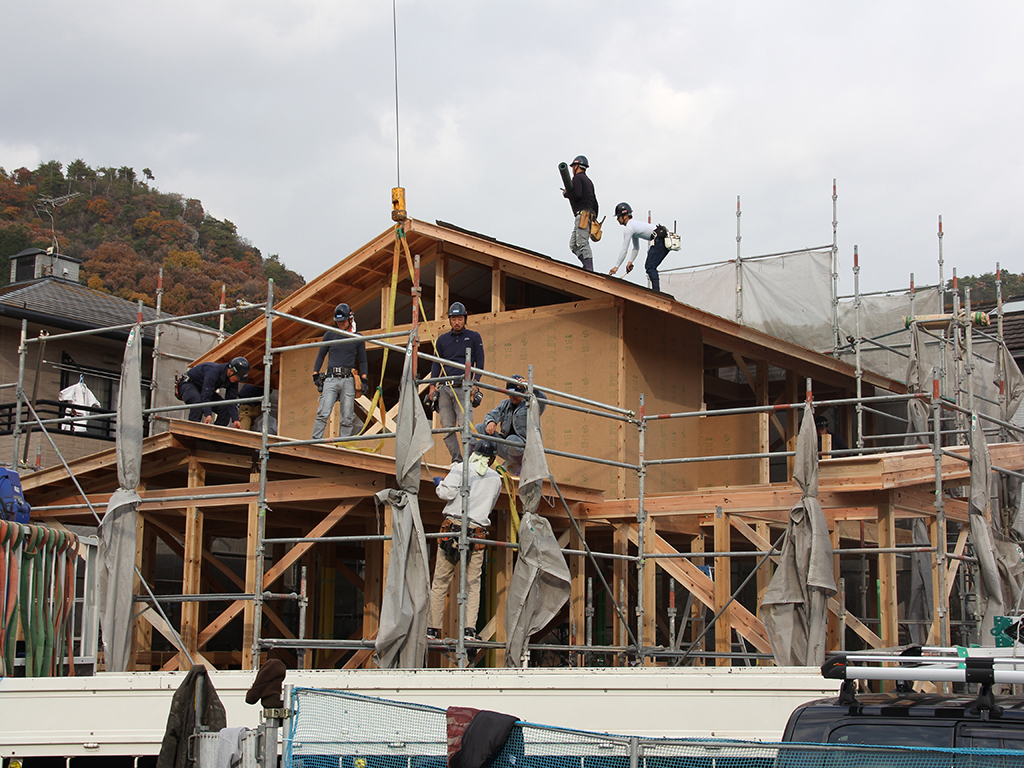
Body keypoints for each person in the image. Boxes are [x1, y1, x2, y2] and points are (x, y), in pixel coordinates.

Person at [427, 441, 502, 644]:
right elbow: (490, 505)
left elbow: (446, 494)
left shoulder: (460, 469)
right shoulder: (496, 479)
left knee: (441, 581)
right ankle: (469, 630)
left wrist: (439, 484)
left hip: (453, 528)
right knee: (473, 583)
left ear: (474, 453)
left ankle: (432, 629)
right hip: (477, 533)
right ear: (492, 459)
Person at [429, 302, 485, 463]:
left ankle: (470, 462)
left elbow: (480, 363)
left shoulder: (474, 337)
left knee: (466, 428)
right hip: (445, 388)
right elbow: (435, 363)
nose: (457, 322)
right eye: (454, 319)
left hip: (464, 388)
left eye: (460, 318)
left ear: (465, 319)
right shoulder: (442, 340)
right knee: (447, 429)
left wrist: (476, 383)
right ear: (450, 320)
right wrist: (432, 386)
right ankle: (457, 461)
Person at [311, 303, 368, 440]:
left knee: (347, 416)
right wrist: (315, 374)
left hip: (348, 378)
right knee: (323, 412)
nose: (340, 324)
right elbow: (321, 355)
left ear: (350, 319)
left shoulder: (357, 338)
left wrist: (364, 379)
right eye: (338, 322)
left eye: (342, 321)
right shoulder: (329, 335)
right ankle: (315, 441)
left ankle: (344, 446)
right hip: (331, 378)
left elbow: (362, 360)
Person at [473, 375, 548, 476]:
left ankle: (522, 465)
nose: (512, 397)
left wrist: (532, 388)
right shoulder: (505, 404)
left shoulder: (531, 405)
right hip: (506, 447)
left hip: (524, 450)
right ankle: (473, 462)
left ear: (524, 392)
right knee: (478, 428)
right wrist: (491, 421)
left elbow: (543, 400)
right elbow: (492, 414)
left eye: (515, 394)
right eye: (510, 394)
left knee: (512, 439)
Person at [609, 202, 670, 292]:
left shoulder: (629, 228)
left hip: (659, 239)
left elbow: (624, 249)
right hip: (663, 238)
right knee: (651, 266)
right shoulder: (633, 226)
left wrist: (616, 266)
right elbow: (636, 248)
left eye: (618, 216)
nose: (617, 219)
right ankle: (656, 290)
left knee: (650, 267)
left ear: (625, 215)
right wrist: (630, 262)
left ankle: (656, 292)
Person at [177, 357, 249, 428]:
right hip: (189, 385)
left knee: (224, 409)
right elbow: (206, 393)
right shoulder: (213, 371)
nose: (237, 380)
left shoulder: (233, 381)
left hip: (204, 389)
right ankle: (192, 431)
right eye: (237, 377)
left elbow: (231, 400)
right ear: (230, 371)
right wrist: (208, 414)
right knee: (197, 404)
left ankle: (214, 435)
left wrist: (235, 419)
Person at [561, 155, 598, 272]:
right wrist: (595, 218)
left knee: (582, 243)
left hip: (582, 215)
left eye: (573, 166)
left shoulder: (577, 179)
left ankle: (589, 269)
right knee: (573, 245)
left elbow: (577, 194)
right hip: (589, 214)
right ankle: (586, 265)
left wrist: (567, 193)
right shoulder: (589, 182)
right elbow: (595, 203)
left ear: (577, 166)